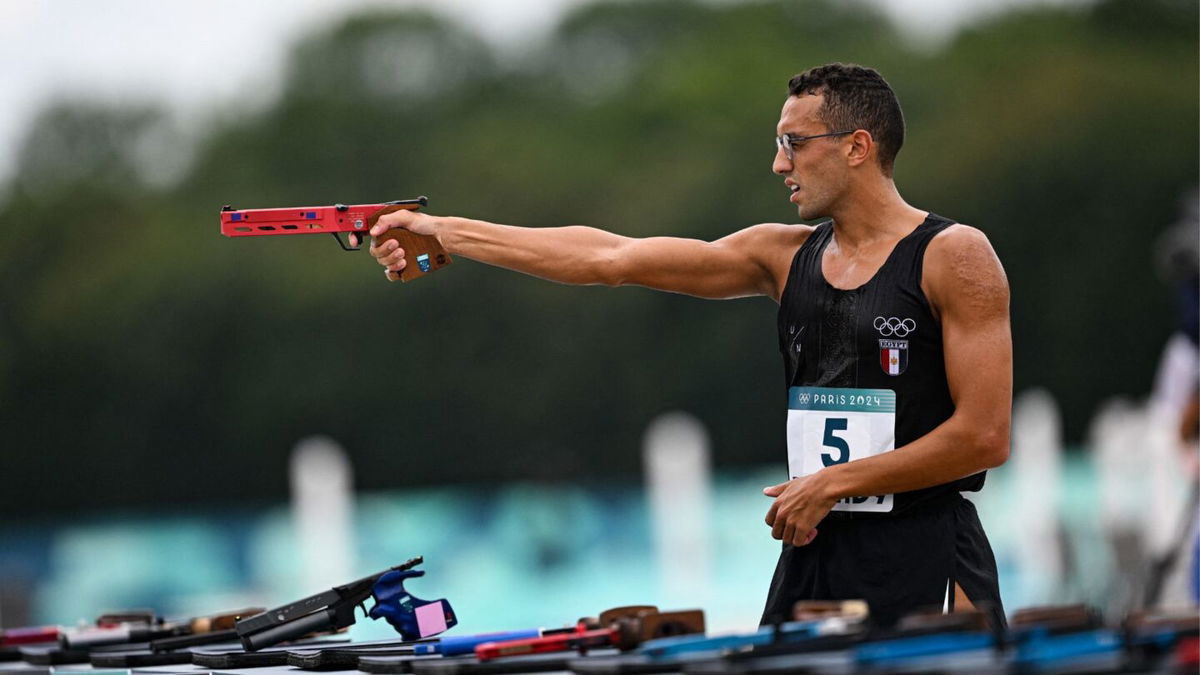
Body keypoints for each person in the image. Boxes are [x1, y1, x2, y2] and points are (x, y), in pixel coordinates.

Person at [354, 63, 1011, 627]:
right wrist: (444, 231)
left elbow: (984, 435)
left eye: (793, 142)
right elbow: (610, 256)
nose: (779, 162)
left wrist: (835, 481)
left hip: (926, 551)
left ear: (857, 146)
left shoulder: (952, 255)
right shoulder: (780, 256)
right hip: (814, 551)